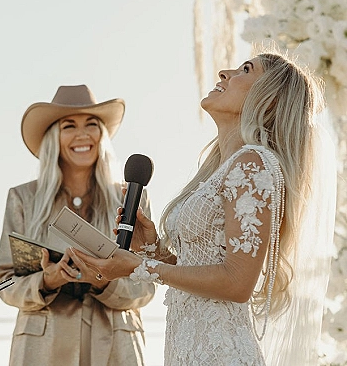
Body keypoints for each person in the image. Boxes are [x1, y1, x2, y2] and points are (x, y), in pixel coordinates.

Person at [69, 50, 336, 365]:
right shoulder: (223, 168)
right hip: (187, 350)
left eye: (245, 70)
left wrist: (136, 267)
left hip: (221, 353)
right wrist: (153, 249)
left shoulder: (253, 165)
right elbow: (201, 269)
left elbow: (237, 283)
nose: (224, 72)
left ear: (270, 100)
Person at [0, 85, 157, 366]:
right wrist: (48, 280)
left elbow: (147, 285)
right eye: (69, 126)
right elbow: (4, 284)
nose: (82, 134)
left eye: (91, 124)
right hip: (43, 349)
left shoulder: (129, 197)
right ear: (54, 138)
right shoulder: (22, 198)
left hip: (117, 346)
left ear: (101, 136)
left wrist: (102, 280)